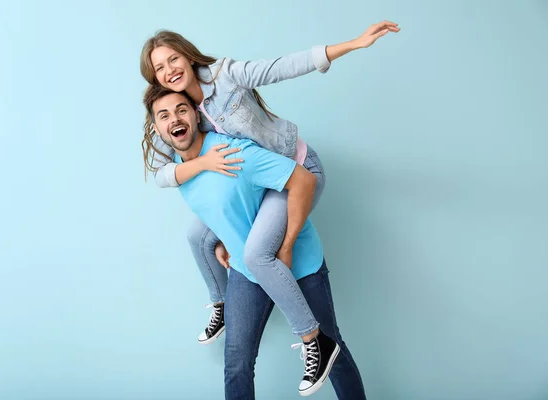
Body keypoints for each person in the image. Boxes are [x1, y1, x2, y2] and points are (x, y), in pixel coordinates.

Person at [139, 24, 400, 349]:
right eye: (159, 68)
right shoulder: (180, 111)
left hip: (294, 172)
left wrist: (352, 44)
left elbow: (281, 67)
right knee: (198, 236)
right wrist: (204, 168)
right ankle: (221, 303)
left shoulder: (226, 76)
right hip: (259, 185)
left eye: (173, 59)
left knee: (257, 254)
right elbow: (162, 174)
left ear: (187, 56)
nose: (169, 70)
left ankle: (313, 340)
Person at [143, 85, 367, 398]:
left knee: (332, 351)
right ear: (157, 128)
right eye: (164, 115)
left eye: (181, 109)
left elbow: (302, 179)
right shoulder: (180, 172)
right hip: (247, 273)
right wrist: (221, 240)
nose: (175, 119)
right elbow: (223, 207)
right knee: (236, 362)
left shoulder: (232, 153)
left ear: (196, 114)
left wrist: (286, 245)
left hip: (297, 262)